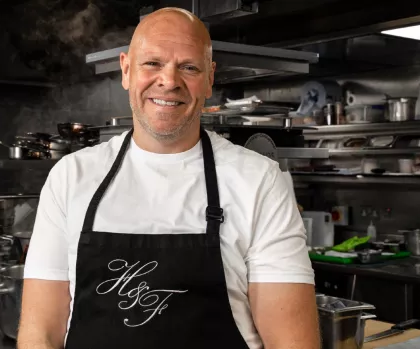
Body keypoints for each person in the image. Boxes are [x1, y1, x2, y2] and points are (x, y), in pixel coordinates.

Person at [18, 7, 320, 349]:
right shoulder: (71, 177)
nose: (169, 80)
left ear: (209, 79)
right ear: (127, 70)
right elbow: (40, 334)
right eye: (152, 63)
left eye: (189, 67)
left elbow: (292, 343)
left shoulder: (260, 182)